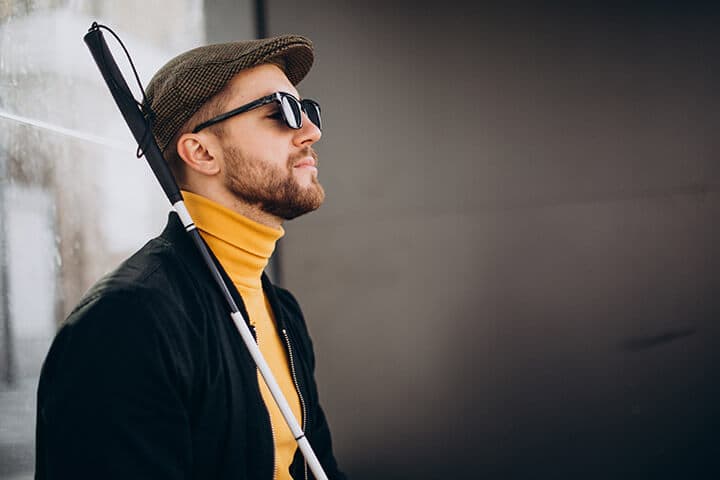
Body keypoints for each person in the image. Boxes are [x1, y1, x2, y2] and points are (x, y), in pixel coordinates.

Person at [35, 34, 346, 480]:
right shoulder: (126, 324)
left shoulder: (282, 312)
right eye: (281, 111)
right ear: (201, 152)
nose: (311, 131)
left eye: (308, 110)